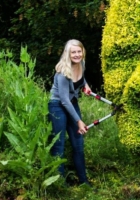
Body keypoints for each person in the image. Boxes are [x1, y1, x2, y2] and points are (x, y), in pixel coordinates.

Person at [48, 39, 92, 186]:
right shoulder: (62, 73)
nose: (77, 54)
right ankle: (60, 184)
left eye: (79, 51)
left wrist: (86, 86)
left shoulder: (82, 64)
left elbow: (81, 79)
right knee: (58, 144)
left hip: (72, 103)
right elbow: (64, 100)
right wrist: (79, 121)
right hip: (57, 106)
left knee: (78, 144)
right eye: (73, 52)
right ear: (68, 54)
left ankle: (84, 182)